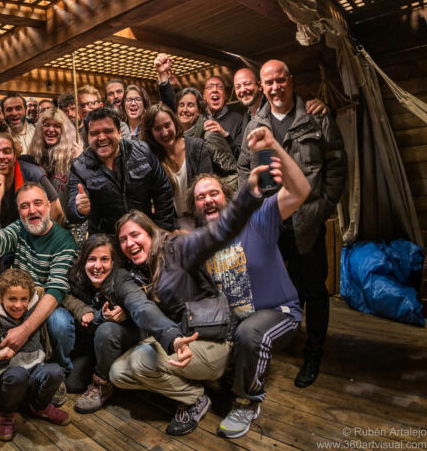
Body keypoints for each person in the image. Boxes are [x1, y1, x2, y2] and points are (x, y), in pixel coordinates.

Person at [107, 131, 272, 436]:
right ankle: (194, 392)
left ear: (150, 232)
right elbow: (141, 308)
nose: (130, 244)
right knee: (118, 373)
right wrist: (169, 338)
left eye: (135, 235)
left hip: (212, 340)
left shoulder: (175, 248)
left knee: (142, 363)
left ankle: (194, 400)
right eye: (123, 240)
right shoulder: (129, 274)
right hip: (173, 338)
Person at [193, 125, 311, 438]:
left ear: (227, 197)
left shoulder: (257, 219)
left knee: (249, 333)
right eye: (200, 197)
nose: (208, 200)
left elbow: (300, 191)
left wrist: (273, 144)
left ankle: (247, 401)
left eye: (213, 193)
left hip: (280, 312)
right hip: (234, 320)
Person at [237, 59, 346, 388]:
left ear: (291, 80)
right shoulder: (255, 124)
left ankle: (314, 352)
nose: (274, 87)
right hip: (271, 223)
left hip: (308, 222)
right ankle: (288, 337)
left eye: (279, 80)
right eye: (267, 83)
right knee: (282, 288)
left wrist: (323, 207)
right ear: (261, 87)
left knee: (314, 289)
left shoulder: (316, 117)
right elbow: (244, 169)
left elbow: (337, 167)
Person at [62, 234, 182, 414]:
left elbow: (141, 306)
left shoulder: (121, 279)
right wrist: (84, 310)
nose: (97, 266)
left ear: (112, 262)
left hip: (128, 336)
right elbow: (63, 295)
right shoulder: (76, 277)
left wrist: (172, 335)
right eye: (92, 259)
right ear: (83, 261)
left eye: (104, 260)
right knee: (72, 383)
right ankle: (109, 373)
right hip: (95, 345)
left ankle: (102, 383)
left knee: (107, 329)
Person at [0, 181, 78, 385]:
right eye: (25, 206)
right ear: (19, 212)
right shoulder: (20, 228)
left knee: (60, 323)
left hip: (48, 303)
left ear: (48, 206)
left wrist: (24, 331)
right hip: (18, 298)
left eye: (38, 203)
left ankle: (59, 375)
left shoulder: (65, 241)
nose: (32, 210)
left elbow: (56, 292)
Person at [0, 268, 71, 441]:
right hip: (8, 381)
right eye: (12, 299)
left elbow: (57, 292)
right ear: (0, 297)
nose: (19, 305)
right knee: (17, 375)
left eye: (23, 299)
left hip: (35, 371)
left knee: (55, 371)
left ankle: (40, 407)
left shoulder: (35, 304)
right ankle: (6, 414)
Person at [66, 107, 175, 234]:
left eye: (108, 131)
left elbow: (163, 191)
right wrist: (79, 210)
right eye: (95, 133)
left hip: (144, 232)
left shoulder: (143, 151)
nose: (101, 137)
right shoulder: (79, 167)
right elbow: (72, 212)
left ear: (119, 132)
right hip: (107, 239)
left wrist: (162, 231)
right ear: (88, 137)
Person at [140, 104, 214, 229]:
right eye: (157, 129)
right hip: (173, 227)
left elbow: (207, 185)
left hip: (203, 221)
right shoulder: (151, 158)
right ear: (150, 132)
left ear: (174, 122)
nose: (164, 132)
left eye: (167, 125)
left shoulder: (196, 146)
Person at [0, 133, 63, 229]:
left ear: (15, 155)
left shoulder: (34, 175)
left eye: (7, 151)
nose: (1, 157)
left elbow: (57, 213)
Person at [25, 108, 81, 211]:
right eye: (46, 125)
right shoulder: (33, 157)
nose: (51, 129)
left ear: (64, 131)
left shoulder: (73, 157)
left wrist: (80, 160)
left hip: (67, 222)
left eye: (56, 126)